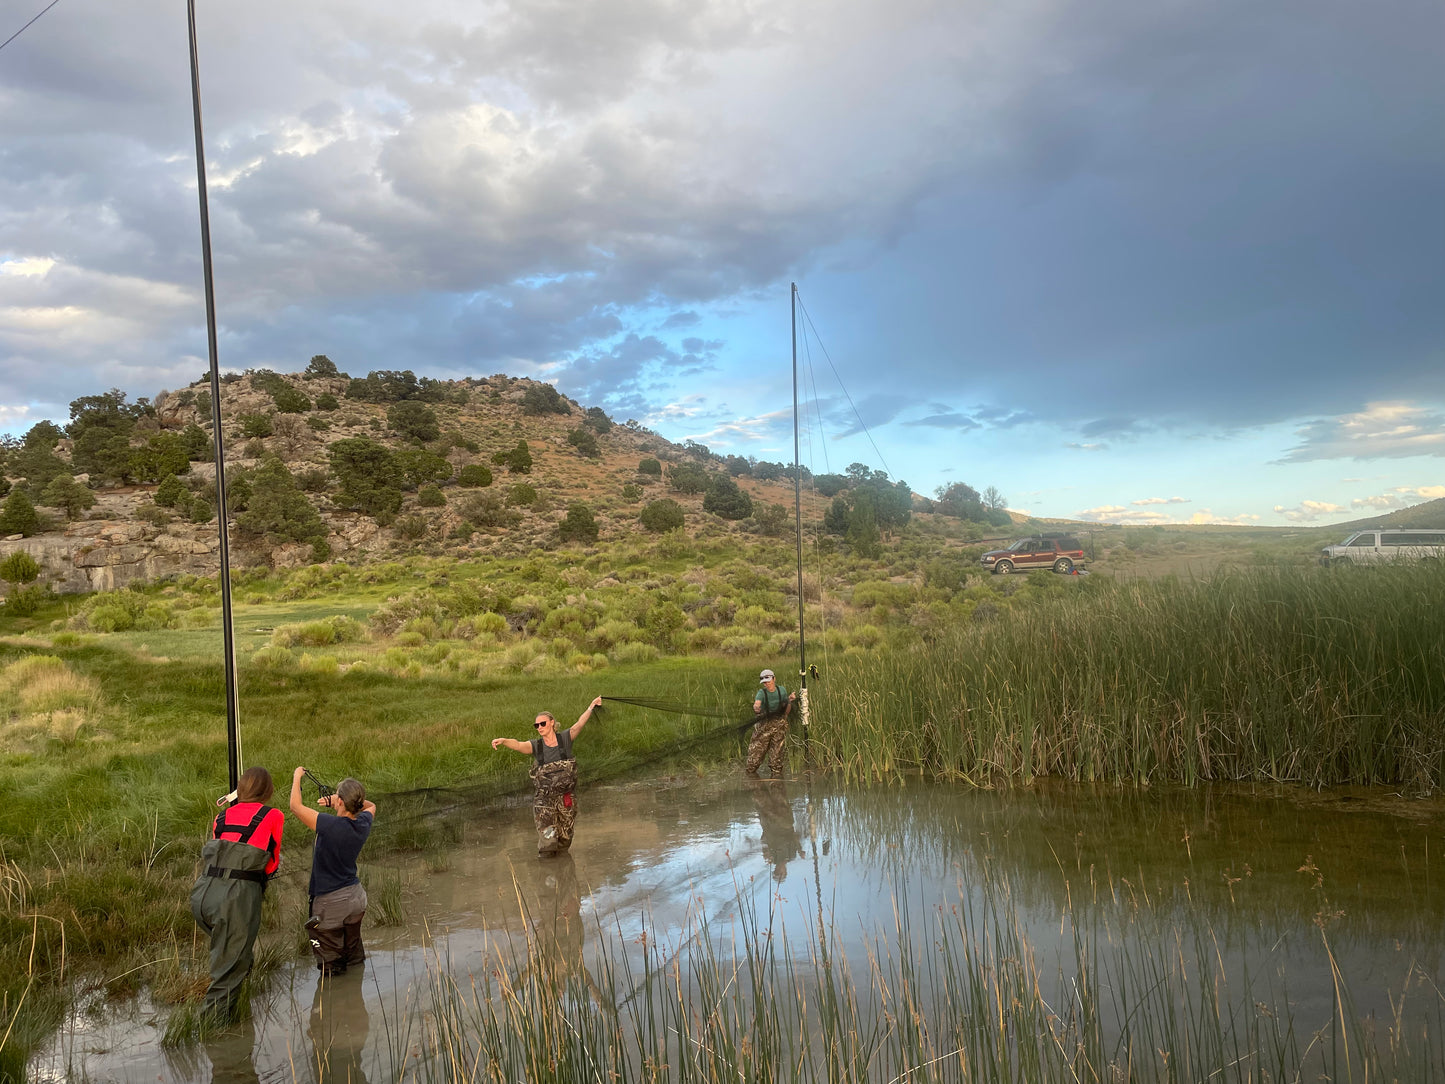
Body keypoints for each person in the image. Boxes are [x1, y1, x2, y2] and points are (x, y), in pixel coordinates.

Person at [190, 766, 284, 1021]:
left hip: (202, 895)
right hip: (234, 899)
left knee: (235, 957)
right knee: (226, 975)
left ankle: (239, 1015)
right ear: (269, 791)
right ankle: (212, 1036)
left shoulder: (220, 817)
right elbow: (272, 863)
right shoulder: (273, 815)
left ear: (240, 790)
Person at [289, 767, 376, 976]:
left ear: (340, 802)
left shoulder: (330, 825)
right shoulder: (363, 823)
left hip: (330, 902)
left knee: (330, 967)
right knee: (354, 957)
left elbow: (295, 806)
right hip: (356, 899)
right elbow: (371, 805)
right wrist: (343, 799)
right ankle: (355, 1000)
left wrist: (297, 777)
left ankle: (334, 1004)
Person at [492, 696, 602, 855]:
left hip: (566, 799)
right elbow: (518, 745)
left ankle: (563, 874)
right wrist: (503, 740)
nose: (539, 727)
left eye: (542, 723)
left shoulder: (565, 739)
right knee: (548, 842)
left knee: (565, 840)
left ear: (551, 723)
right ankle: (548, 875)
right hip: (544, 801)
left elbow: (579, 724)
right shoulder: (536, 746)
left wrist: (591, 706)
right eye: (536, 725)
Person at [746, 668, 795, 777]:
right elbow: (757, 704)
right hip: (764, 726)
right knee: (756, 754)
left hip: (779, 725)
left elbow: (786, 705)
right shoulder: (761, 693)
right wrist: (756, 707)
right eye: (764, 682)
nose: (767, 684)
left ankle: (776, 782)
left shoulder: (781, 690)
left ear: (774, 679)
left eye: (768, 681)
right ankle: (752, 779)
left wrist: (789, 702)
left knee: (777, 756)